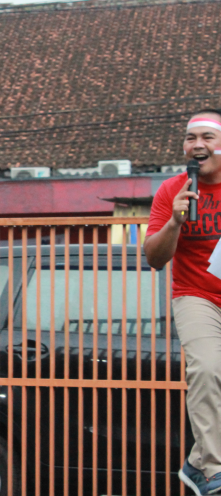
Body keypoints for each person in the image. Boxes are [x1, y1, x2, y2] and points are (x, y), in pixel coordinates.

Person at [144, 108, 221, 496]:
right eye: (191, 138)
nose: (197, 145)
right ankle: (214, 469)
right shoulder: (172, 190)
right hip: (197, 294)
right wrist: (175, 221)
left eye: (207, 137)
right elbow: (154, 258)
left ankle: (195, 461)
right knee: (207, 368)